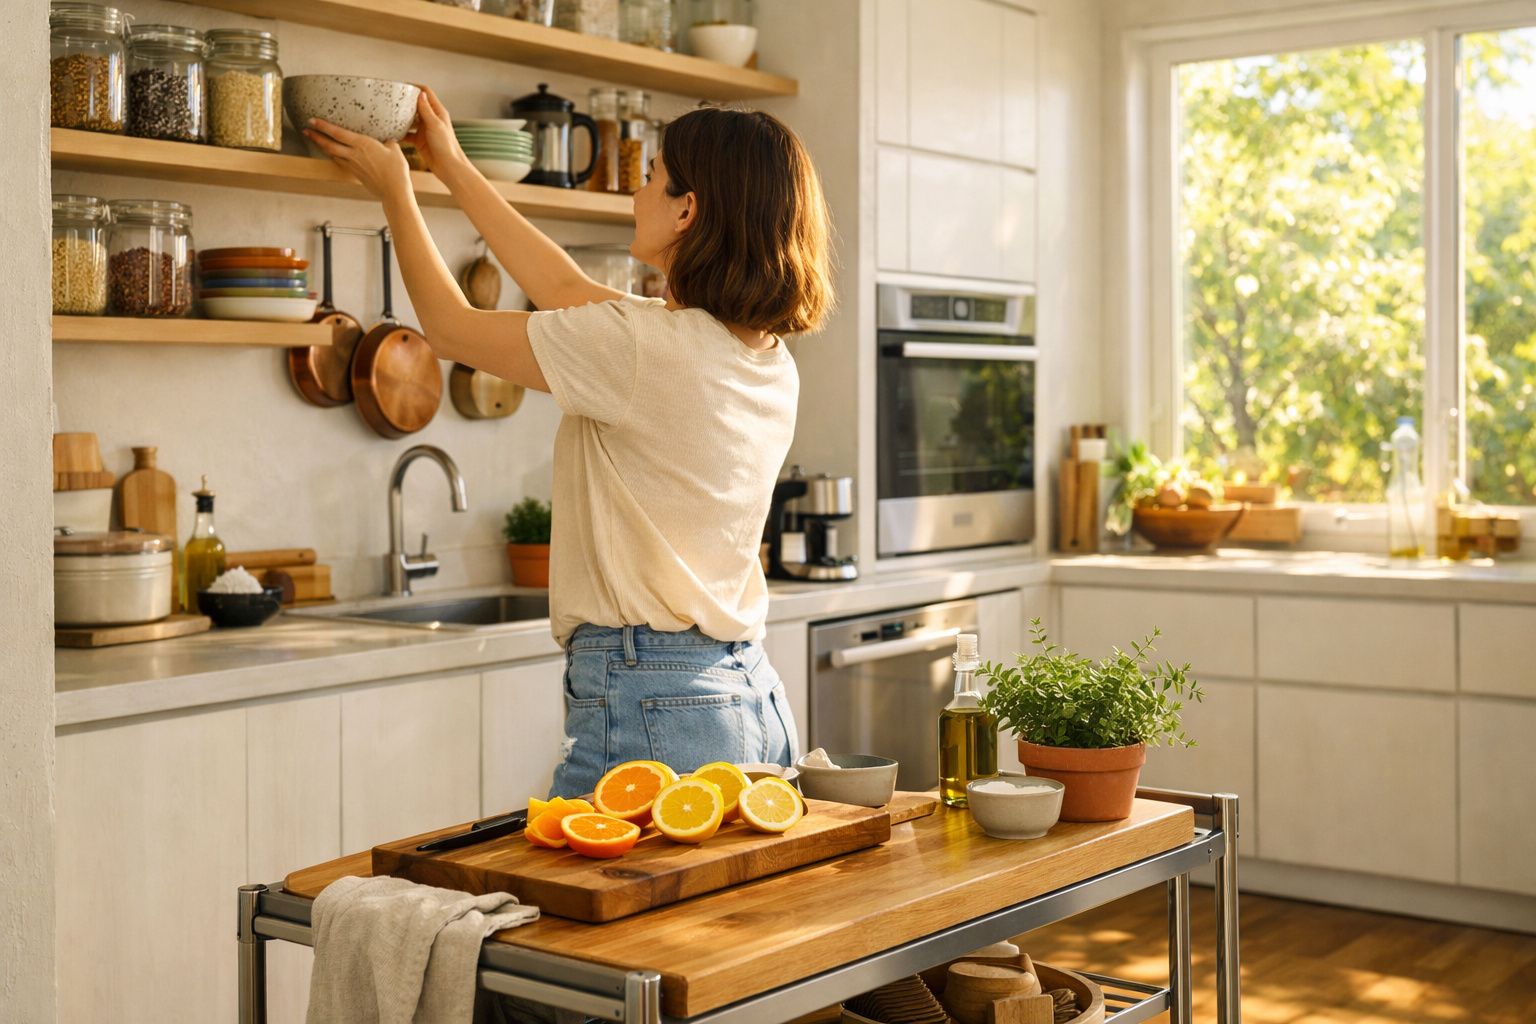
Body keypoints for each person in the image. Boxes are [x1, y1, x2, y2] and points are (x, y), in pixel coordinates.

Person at [305, 89, 834, 797]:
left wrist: (396, 189)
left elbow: (452, 328)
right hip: (747, 698)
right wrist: (453, 165)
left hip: (651, 698)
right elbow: (560, 286)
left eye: (653, 177)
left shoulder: (644, 348)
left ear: (688, 209)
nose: (638, 192)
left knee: (578, 904)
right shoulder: (762, 358)